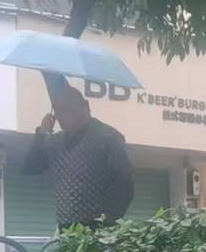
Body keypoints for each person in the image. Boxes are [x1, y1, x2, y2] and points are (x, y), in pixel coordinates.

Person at [24, 82, 135, 229]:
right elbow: (31, 167)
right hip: (66, 228)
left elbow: (125, 185)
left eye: (67, 109)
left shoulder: (108, 138)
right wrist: (41, 134)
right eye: (58, 111)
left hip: (97, 229)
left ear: (85, 106)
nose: (61, 116)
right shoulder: (55, 142)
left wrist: (107, 225)